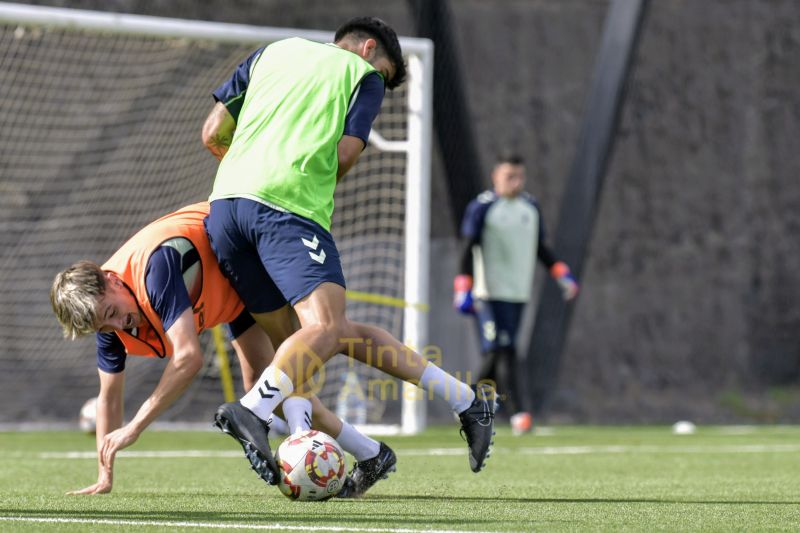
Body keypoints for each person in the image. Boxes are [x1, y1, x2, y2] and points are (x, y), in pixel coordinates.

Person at [201, 16, 496, 484]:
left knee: (299, 344)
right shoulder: (361, 75)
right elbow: (345, 154)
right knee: (330, 327)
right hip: (286, 208)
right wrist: (298, 181)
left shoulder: (272, 51)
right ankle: (254, 411)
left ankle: (374, 448)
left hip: (224, 209)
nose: (381, 79)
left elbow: (213, 131)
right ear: (368, 49)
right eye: (384, 70)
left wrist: (251, 168)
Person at [50, 202, 390, 497]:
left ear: (109, 279)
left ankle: (435, 389)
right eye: (103, 327)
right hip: (230, 294)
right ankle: (370, 454)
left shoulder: (155, 268)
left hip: (252, 249)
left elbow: (188, 358)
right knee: (263, 383)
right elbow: (109, 396)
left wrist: (134, 427)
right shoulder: (106, 317)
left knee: (311, 349)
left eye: (112, 315)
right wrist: (104, 472)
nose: (116, 328)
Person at [453, 153, 579, 435]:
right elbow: (467, 245)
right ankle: (516, 411)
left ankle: (471, 405)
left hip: (517, 293)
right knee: (501, 348)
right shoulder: (483, 206)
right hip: (488, 292)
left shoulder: (530, 207)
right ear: (496, 176)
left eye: (520, 176)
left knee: (503, 351)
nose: (516, 182)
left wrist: (561, 273)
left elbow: (540, 247)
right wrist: (463, 286)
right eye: (510, 176)